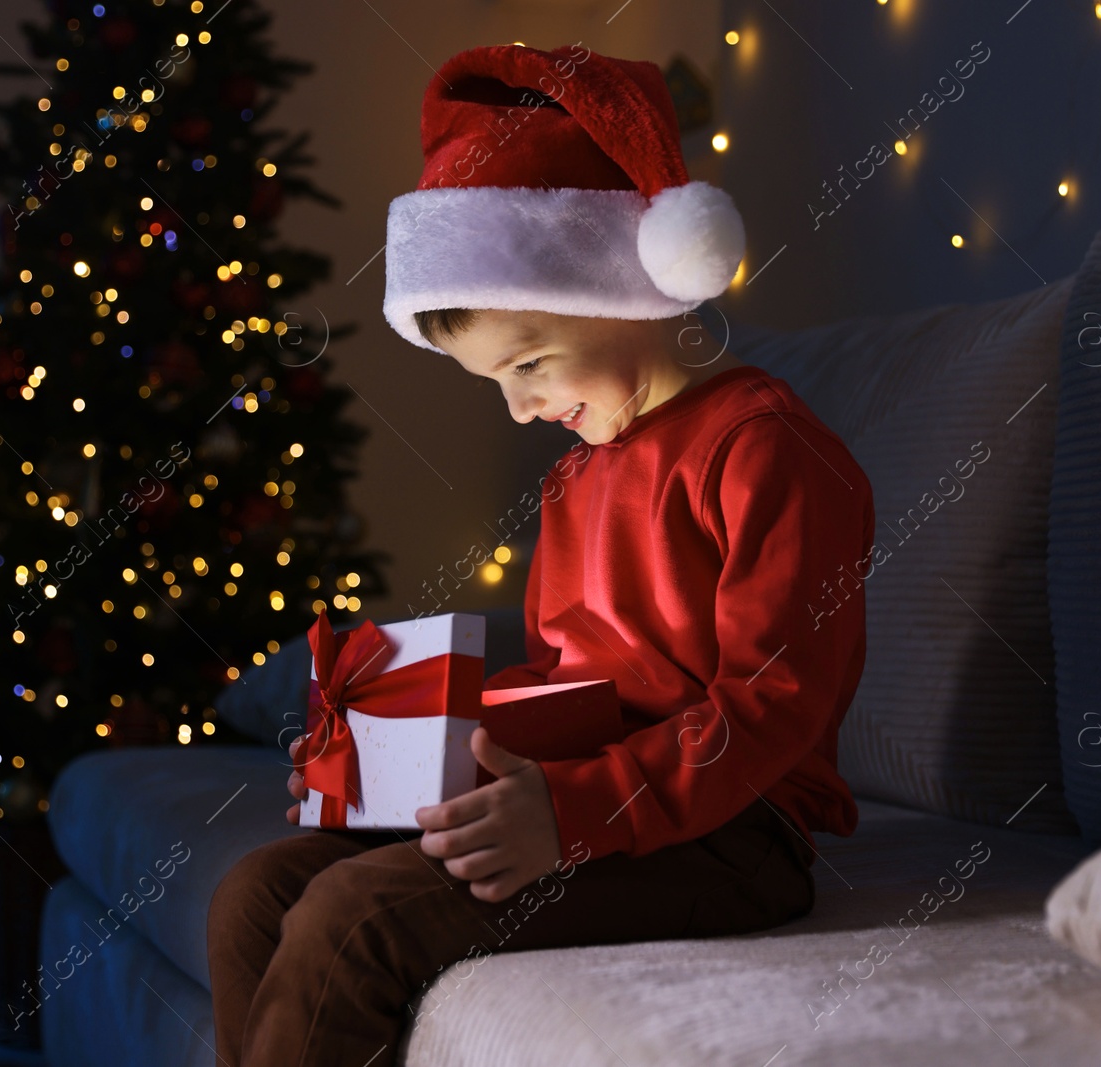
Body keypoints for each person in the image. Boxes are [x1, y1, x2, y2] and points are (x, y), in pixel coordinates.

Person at [207, 41, 876, 1067]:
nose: (522, 403)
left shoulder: (764, 448)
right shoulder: (577, 475)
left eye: (529, 360)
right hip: (589, 793)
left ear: (624, 288)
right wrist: (384, 766)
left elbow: (772, 703)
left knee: (354, 916)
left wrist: (570, 812)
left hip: (738, 831)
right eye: (495, 380)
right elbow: (566, 688)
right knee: (254, 892)